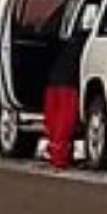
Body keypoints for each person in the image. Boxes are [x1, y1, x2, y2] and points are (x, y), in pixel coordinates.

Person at [42, 25, 89, 169]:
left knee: (55, 122)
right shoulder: (83, 45)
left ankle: (58, 156)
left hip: (53, 83)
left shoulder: (66, 44)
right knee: (64, 122)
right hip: (67, 85)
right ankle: (60, 158)